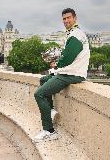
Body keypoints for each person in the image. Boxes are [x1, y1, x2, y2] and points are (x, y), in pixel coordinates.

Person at [33, 8, 90, 142]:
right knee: (43, 80)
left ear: (75, 18)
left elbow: (67, 59)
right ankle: (51, 110)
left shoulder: (76, 35)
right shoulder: (74, 33)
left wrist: (55, 66)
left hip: (71, 74)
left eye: (68, 18)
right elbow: (67, 57)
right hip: (69, 72)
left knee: (39, 94)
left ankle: (48, 130)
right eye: (64, 19)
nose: (66, 21)